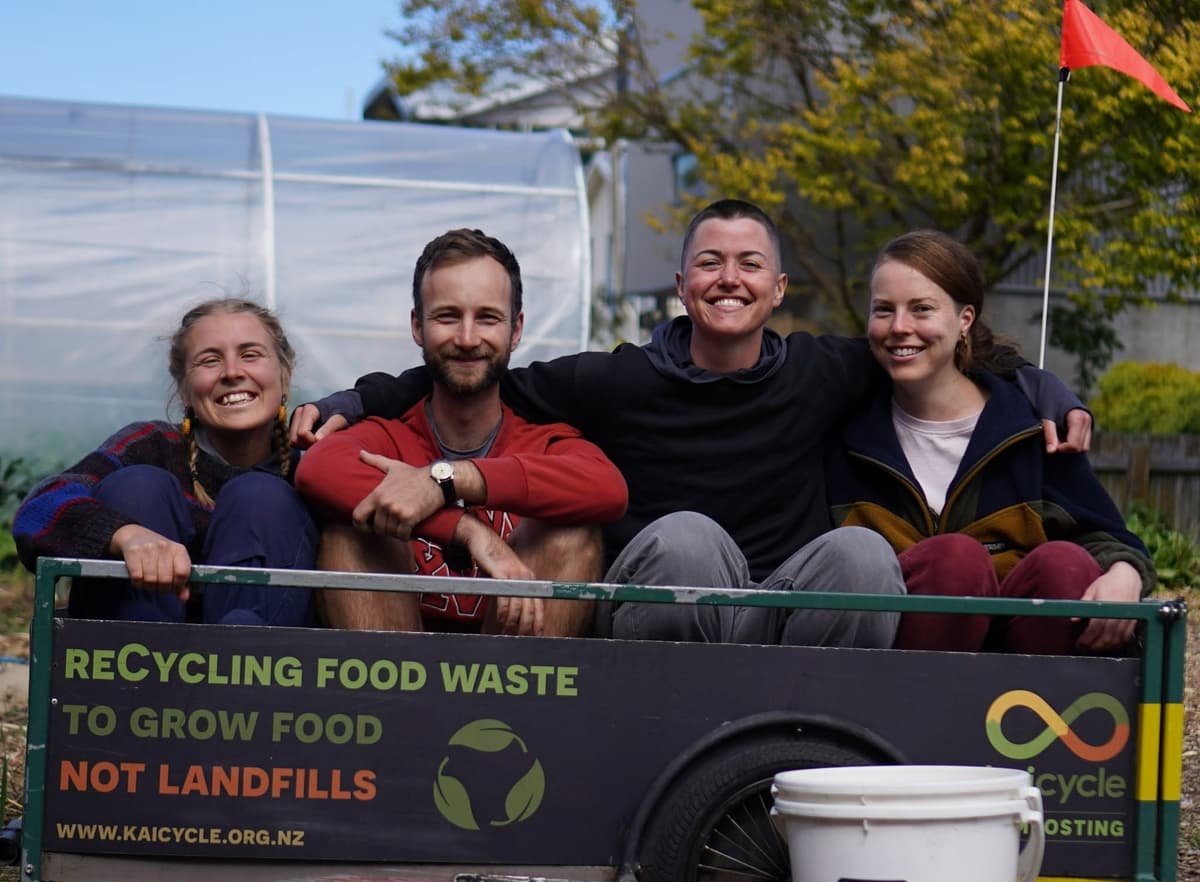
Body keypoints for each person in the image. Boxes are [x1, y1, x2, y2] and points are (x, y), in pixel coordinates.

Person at [291, 200, 1092, 649]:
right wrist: (353, 404)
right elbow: (471, 366)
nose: (729, 277)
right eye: (710, 261)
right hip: (674, 604)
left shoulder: (823, 370)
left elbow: (930, 343)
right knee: (684, 536)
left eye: (749, 264)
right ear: (682, 284)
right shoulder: (617, 378)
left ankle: (807, 749)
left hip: (790, 609)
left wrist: (1040, 385)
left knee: (861, 552)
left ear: (777, 287)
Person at [826, 229, 1153, 654]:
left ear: (965, 319)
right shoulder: (843, 427)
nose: (900, 327)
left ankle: (1043, 712)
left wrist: (1125, 572)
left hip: (1022, 674)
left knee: (1065, 563)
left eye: (922, 309)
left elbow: (1107, 535)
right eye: (883, 310)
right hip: (894, 659)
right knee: (954, 561)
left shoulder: (1031, 430)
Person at [293, 228, 628, 637]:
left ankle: (512, 701)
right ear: (418, 326)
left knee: (570, 529)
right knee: (355, 525)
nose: (467, 339)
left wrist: (450, 481)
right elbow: (318, 467)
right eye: (447, 316)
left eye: (487, 317)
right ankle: (389, 703)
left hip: (508, 679)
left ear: (516, 329)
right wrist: (470, 533)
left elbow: (608, 488)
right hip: (397, 673)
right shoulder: (389, 435)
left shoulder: (543, 441)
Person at [14, 298, 318, 626]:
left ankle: (240, 658)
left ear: (284, 375)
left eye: (250, 355)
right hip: (136, 657)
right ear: (185, 389)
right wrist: (124, 535)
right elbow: (38, 512)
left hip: (261, 664)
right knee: (138, 486)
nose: (232, 372)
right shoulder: (151, 445)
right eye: (210, 360)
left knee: (261, 495)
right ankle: (139, 664)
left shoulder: (312, 467)